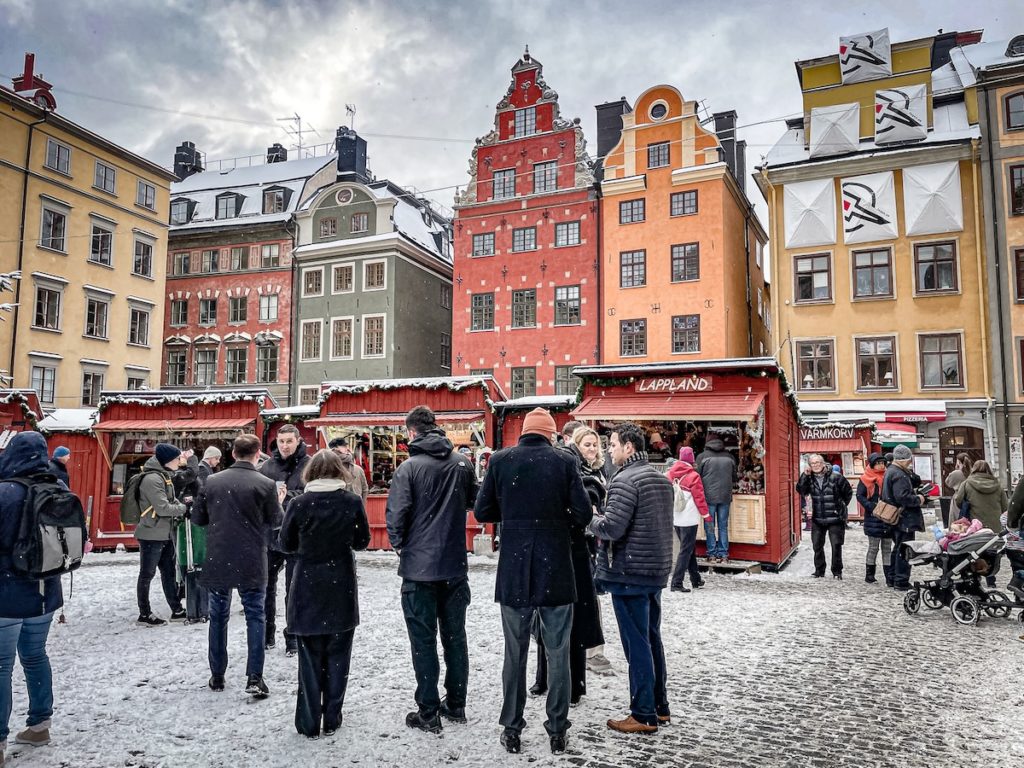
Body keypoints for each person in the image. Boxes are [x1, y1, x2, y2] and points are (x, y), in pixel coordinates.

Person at [475, 407, 591, 755]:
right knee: (558, 652)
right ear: (551, 433)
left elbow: (482, 511)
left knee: (515, 653)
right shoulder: (564, 463)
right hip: (555, 566)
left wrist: (513, 515)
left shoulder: (500, 460)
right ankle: (557, 728)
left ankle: (512, 727)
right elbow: (583, 514)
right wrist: (558, 523)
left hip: (514, 567)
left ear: (523, 432)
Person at [386, 406, 478, 734]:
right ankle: (456, 703)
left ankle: (428, 711)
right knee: (455, 638)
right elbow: (474, 503)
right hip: (454, 565)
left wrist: (402, 546)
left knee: (423, 641)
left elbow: (396, 517)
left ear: (411, 432)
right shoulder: (462, 464)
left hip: (418, 570)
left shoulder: (409, 468)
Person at [589, 422, 674, 735]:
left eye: (612, 445)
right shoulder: (659, 479)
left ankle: (643, 714)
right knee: (652, 640)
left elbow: (612, 528)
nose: (609, 450)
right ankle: (660, 707)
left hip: (628, 573)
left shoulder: (625, 480)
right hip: (653, 571)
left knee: (636, 644)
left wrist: (591, 516)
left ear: (629, 447)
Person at [279, 450, 370, 738]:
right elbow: (362, 541)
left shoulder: (299, 503)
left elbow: (285, 543)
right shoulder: (352, 502)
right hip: (340, 584)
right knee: (339, 656)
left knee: (308, 657)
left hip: (307, 584)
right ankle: (332, 716)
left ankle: (308, 721)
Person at [192, 434, 284, 698]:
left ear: (232, 453)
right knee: (255, 615)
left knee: (218, 617)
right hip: (252, 556)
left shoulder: (212, 481)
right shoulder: (265, 484)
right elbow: (276, 521)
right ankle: (254, 676)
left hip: (219, 555)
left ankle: (217, 674)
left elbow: (198, 518)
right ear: (257, 455)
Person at [0, 432, 64, 761]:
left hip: (7, 592)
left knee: (1, 665)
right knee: (36, 656)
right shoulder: (58, 488)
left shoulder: (5, 492)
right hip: (45, 592)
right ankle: (39, 725)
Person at [532, 425, 606, 705]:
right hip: (572, 550)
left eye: (595, 445)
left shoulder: (591, 469)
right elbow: (582, 509)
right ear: (575, 443)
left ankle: (551, 680)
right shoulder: (572, 466)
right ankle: (567, 684)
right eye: (587, 444)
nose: (592, 449)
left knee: (555, 617)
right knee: (568, 617)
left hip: (570, 549)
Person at [259, 424, 309, 654]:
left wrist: (287, 496)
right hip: (271, 534)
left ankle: (292, 638)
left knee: (295, 588)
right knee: (266, 587)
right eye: (281, 441)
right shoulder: (266, 467)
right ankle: (267, 634)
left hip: (298, 535)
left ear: (298, 440)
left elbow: (312, 495)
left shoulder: (309, 465)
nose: (285, 445)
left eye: (289, 441)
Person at [135, 443, 187, 626]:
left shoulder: (164, 476)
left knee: (169, 572)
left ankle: (177, 609)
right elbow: (163, 507)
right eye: (176, 459)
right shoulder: (153, 479)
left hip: (163, 532)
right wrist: (183, 508)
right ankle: (144, 614)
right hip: (151, 533)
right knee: (147, 574)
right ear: (167, 461)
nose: (179, 462)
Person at [796, 453, 853, 579]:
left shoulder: (836, 476)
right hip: (818, 517)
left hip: (835, 518)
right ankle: (819, 570)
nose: (816, 465)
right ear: (810, 465)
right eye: (813, 463)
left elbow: (847, 492)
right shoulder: (809, 477)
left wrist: (840, 507)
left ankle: (837, 572)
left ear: (823, 463)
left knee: (836, 545)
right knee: (817, 545)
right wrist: (804, 475)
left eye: (818, 462)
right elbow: (801, 490)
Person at [952, 460, 1007, 587]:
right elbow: (1005, 506)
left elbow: (958, 500)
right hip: (994, 525)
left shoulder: (967, 483)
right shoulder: (997, 485)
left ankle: (975, 577)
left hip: (975, 525)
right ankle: (991, 579)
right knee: (992, 551)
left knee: (974, 551)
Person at [667, 446, 711, 592]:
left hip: (676, 517)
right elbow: (699, 498)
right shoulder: (693, 476)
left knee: (689, 548)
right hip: (689, 519)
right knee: (686, 550)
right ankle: (676, 583)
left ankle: (696, 579)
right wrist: (706, 515)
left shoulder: (670, 474)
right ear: (691, 459)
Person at [883, 444, 927, 592]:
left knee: (898, 548)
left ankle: (893, 577)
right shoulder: (899, 474)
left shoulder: (891, 471)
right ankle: (901, 580)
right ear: (903, 459)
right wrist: (919, 499)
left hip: (896, 517)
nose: (910, 462)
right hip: (904, 518)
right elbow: (903, 497)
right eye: (909, 459)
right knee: (905, 550)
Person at [697, 433, 737, 563]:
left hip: (708, 497)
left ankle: (712, 554)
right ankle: (724, 554)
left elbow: (697, 477)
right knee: (723, 526)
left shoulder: (702, 457)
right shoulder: (729, 457)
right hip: (725, 496)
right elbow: (734, 477)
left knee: (709, 526)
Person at [857, 453, 893, 586]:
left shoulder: (888, 476)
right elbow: (860, 496)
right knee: (873, 547)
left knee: (887, 547)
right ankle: (870, 575)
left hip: (887, 516)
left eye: (883, 463)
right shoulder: (865, 478)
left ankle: (889, 576)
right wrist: (871, 506)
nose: (881, 465)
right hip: (873, 517)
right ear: (872, 464)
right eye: (878, 463)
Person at [328, 438, 368, 503]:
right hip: (336, 507)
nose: (346, 448)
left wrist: (362, 506)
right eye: (343, 446)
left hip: (354, 506)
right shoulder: (329, 467)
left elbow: (365, 489)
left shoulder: (358, 469)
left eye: (346, 446)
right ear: (335, 448)